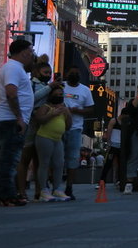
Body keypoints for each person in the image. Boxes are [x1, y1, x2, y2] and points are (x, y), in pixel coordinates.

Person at [0, 39, 35, 207]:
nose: (32, 55)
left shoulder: (13, 67)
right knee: (10, 161)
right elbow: (11, 93)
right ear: (23, 53)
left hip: (6, 119)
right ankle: (7, 195)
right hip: (10, 120)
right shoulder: (14, 68)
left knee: (3, 161)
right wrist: (19, 118)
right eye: (31, 51)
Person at [16, 56, 52, 201]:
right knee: (25, 159)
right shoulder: (31, 85)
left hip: (45, 126)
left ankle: (39, 191)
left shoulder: (49, 86)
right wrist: (50, 88)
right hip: (30, 125)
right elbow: (31, 99)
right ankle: (21, 191)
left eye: (50, 73)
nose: (48, 76)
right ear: (37, 73)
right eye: (45, 73)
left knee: (40, 161)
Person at [32, 83, 72, 202]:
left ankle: (57, 189)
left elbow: (68, 126)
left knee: (59, 164)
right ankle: (43, 190)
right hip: (44, 137)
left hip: (57, 139)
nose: (59, 96)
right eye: (57, 94)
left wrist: (67, 113)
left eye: (61, 94)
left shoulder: (63, 108)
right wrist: (52, 114)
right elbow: (39, 120)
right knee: (44, 163)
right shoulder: (45, 107)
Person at [61, 66, 94, 200]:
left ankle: (69, 187)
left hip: (75, 128)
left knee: (73, 158)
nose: (74, 74)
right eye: (71, 72)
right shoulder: (60, 86)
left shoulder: (85, 90)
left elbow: (91, 108)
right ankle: (55, 186)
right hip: (58, 128)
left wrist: (77, 111)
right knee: (56, 158)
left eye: (76, 73)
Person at [100, 109, 126, 188]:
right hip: (113, 146)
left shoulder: (125, 123)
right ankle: (102, 181)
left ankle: (119, 180)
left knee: (121, 164)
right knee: (108, 164)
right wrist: (108, 143)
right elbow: (109, 131)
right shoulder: (113, 121)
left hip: (121, 146)